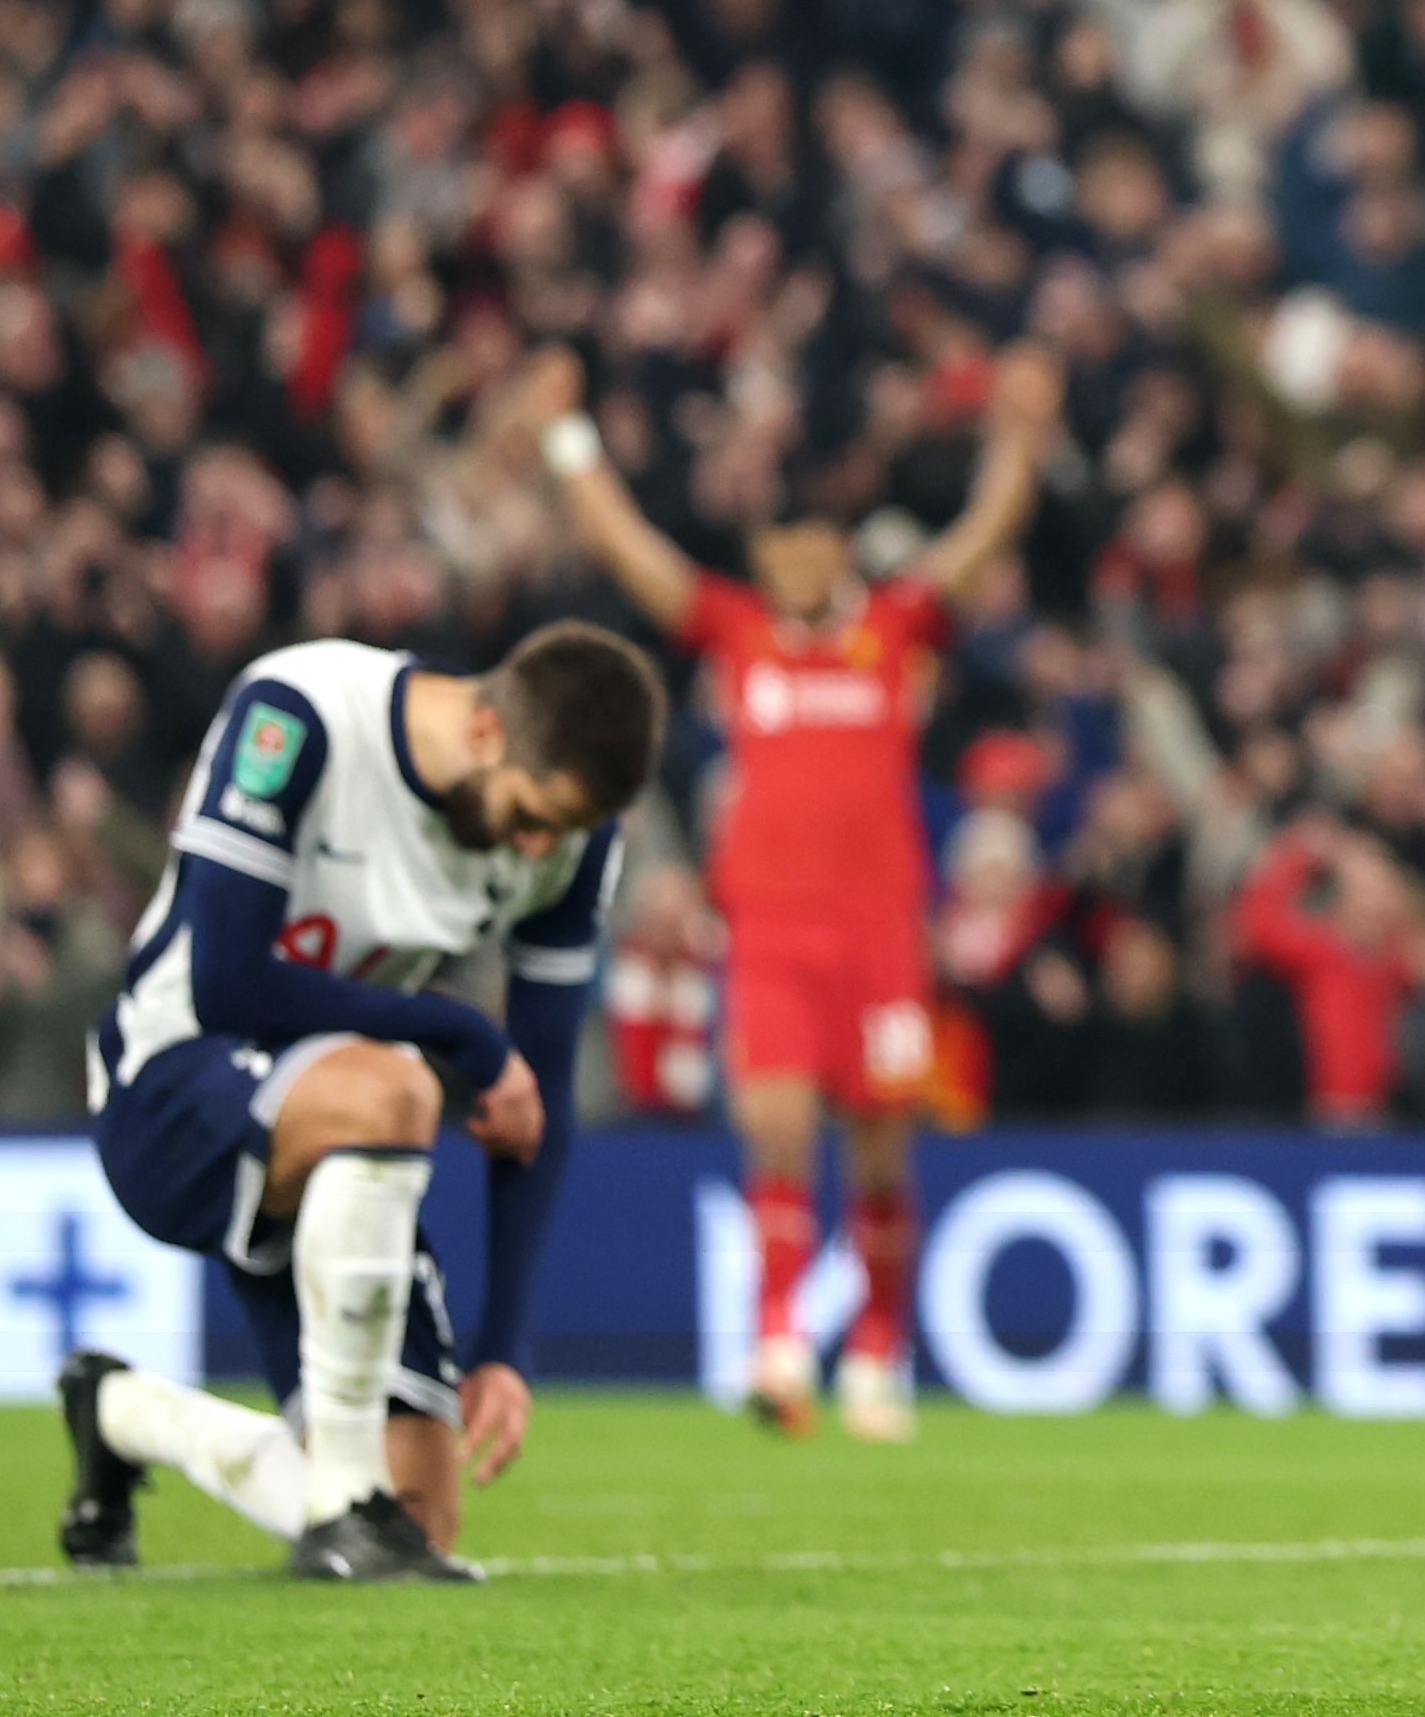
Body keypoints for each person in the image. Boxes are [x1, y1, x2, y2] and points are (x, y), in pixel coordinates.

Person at [518, 340, 1057, 1439]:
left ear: (837, 551)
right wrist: (566, 439)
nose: (791, 562)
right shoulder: (737, 629)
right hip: (768, 929)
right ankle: (778, 1346)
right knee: (772, 1125)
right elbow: (632, 551)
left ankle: (875, 1352)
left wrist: (1020, 433)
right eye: (777, 546)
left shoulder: (892, 625)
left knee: (880, 1144)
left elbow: (986, 534)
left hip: (880, 932)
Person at [53, 623, 666, 1582]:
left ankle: (121, 1416)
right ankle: (342, 1501)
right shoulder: (302, 712)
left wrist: (503, 1348)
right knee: (394, 1083)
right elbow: (227, 982)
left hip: (351, 1144)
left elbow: (532, 1101)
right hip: (171, 1085)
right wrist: (461, 1032)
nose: (537, 845)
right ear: (486, 730)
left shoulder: (572, 848)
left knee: (418, 1526)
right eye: (530, 814)